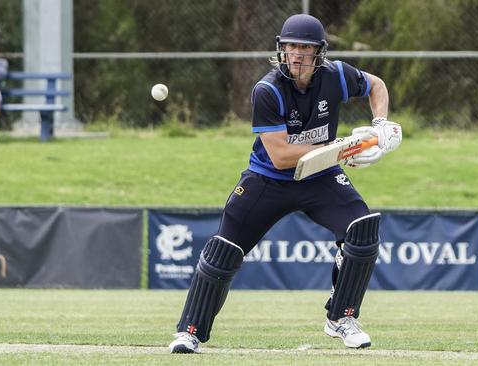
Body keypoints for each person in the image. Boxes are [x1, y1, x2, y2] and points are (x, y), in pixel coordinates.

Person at [168, 14, 402, 353]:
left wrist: (380, 126)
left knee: (362, 229)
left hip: (320, 177)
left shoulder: (336, 75)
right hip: (269, 179)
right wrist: (345, 148)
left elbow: (376, 85)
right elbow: (280, 156)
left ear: (319, 53)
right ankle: (189, 331)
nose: (296, 55)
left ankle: (341, 318)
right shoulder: (268, 90)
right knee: (224, 249)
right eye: (290, 46)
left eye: (305, 48)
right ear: (281, 49)